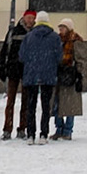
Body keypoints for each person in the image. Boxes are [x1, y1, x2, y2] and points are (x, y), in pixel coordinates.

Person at [19, 15, 62, 144]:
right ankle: (43, 134)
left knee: (30, 106)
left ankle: (30, 134)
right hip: (48, 74)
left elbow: (21, 56)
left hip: (31, 75)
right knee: (45, 106)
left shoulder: (29, 36)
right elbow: (59, 56)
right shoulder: (55, 37)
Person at [0, 9, 34, 140]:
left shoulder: (35, 33)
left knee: (26, 101)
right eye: (28, 18)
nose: (30, 20)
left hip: (28, 71)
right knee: (10, 101)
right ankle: (7, 128)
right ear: (24, 18)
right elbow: (4, 50)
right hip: (13, 69)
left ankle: (22, 128)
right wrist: (2, 67)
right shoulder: (14, 31)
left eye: (32, 18)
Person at [53, 18, 85, 140]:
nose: (61, 30)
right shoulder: (57, 40)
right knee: (57, 104)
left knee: (70, 105)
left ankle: (67, 130)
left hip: (70, 75)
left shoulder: (75, 41)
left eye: (63, 27)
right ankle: (59, 128)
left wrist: (78, 74)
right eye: (60, 27)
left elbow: (80, 59)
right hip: (59, 74)